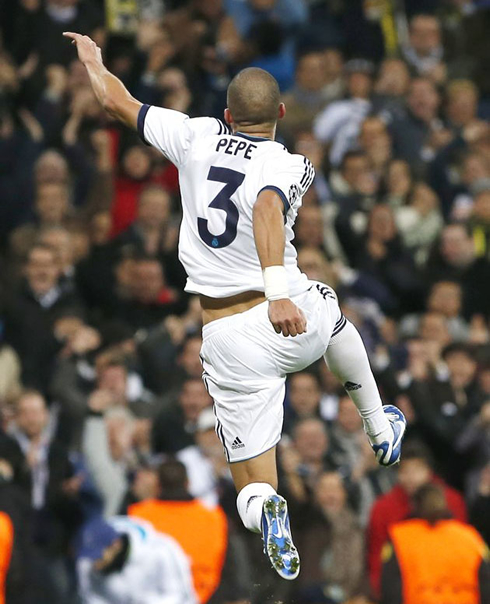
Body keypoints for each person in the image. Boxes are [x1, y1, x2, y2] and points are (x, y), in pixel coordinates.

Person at [64, 31, 406, 580]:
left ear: (227, 113)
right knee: (333, 310)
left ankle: (270, 508)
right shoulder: (289, 163)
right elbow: (268, 207)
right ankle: (379, 427)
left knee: (251, 483)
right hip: (288, 314)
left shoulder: (195, 135)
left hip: (227, 337)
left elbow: (114, 102)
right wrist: (276, 294)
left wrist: (94, 62)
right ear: (282, 112)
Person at [380, 484, 490, 604]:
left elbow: (390, 588)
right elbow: (485, 584)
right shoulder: (471, 538)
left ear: (414, 505)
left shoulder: (399, 538)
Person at [77, 515, 197, 604]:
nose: (93, 563)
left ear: (115, 545)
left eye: (98, 556)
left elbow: (182, 597)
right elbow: (91, 598)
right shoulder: (87, 563)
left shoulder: (160, 550)